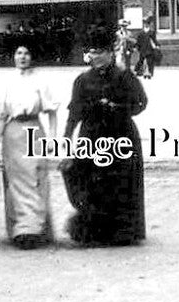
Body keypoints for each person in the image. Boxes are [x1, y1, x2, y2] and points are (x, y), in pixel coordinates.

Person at [62, 27, 149, 246]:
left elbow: (140, 103)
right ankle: (95, 230)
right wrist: (66, 139)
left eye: (101, 52)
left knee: (120, 183)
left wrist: (117, 107)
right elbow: (74, 113)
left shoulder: (124, 76)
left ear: (110, 53)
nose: (96, 56)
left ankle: (122, 232)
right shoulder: (82, 80)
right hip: (91, 137)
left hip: (121, 135)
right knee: (92, 182)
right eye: (92, 52)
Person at [0, 45, 59, 249]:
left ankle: (36, 228)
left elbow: (52, 112)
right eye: (18, 53)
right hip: (13, 134)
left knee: (36, 178)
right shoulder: (7, 82)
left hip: (34, 131)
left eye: (27, 53)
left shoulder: (41, 81)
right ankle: (21, 230)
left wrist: (52, 139)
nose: (22, 57)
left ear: (33, 56)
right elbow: (1, 116)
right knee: (15, 182)